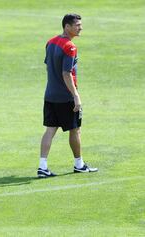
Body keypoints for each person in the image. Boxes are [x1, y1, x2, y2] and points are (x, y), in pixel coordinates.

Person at [38, 14, 98, 178]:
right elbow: (66, 74)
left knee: (50, 130)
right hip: (66, 98)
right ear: (67, 27)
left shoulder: (50, 42)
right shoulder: (70, 46)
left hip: (50, 95)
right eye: (77, 25)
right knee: (75, 130)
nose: (80, 28)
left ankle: (42, 167)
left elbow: (48, 67)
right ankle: (79, 164)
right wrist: (76, 96)